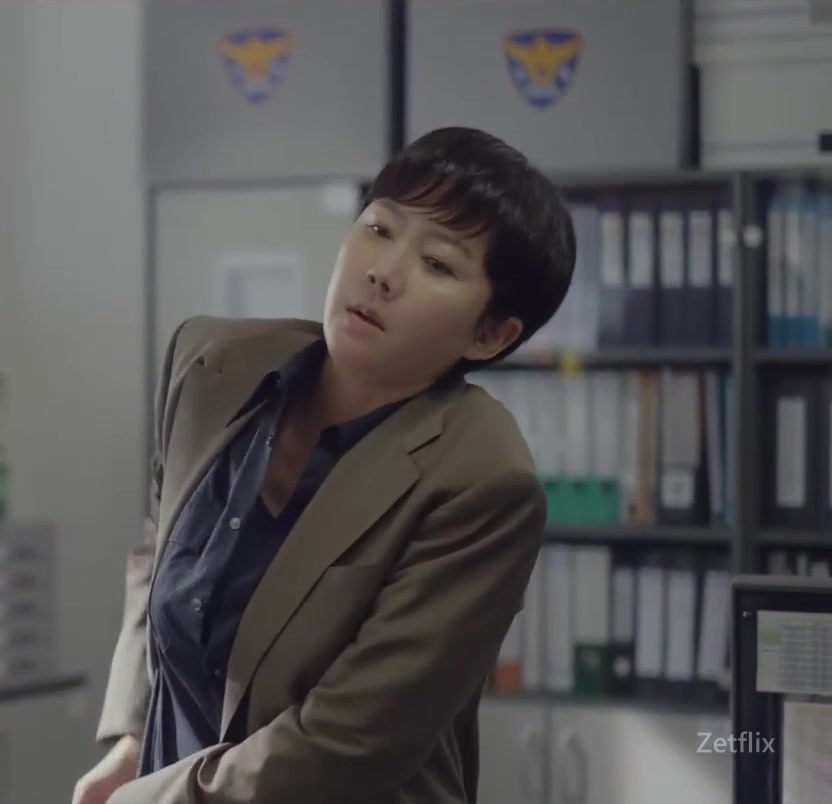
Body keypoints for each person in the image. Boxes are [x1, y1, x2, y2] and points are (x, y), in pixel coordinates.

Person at [73, 127, 575, 804]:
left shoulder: (482, 480)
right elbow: (157, 552)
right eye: (378, 228)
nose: (383, 271)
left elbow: (351, 742)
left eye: (437, 263)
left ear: (490, 335)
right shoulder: (209, 367)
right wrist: (134, 742)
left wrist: (150, 801)